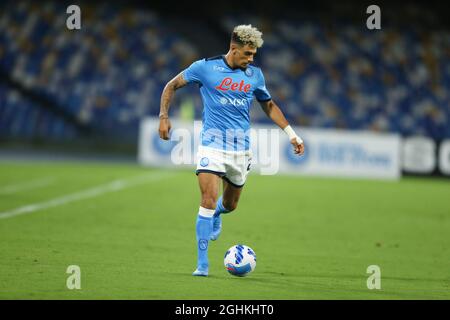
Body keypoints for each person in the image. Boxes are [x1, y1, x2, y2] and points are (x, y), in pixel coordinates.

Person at [158, 25, 304, 276]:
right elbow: (171, 85)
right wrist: (163, 116)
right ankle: (202, 264)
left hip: (240, 151)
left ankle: (219, 212)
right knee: (206, 199)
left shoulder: (255, 75)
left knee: (230, 204)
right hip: (211, 146)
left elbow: (269, 105)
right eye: (247, 54)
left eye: (253, 55)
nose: (251, 59)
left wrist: (291, 134)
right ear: (233, 49)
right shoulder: (205, 67)